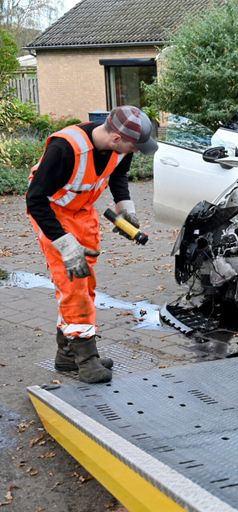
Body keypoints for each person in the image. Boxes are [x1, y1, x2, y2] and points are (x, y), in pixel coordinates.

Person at [26, 106, 158, 383]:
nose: (134, 152)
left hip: (83, 214)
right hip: (52, 216)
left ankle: (67, 354)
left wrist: (126, 210)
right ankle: (86, 360)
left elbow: (118, 176)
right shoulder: (64, 149)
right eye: (134, 147)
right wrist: (64, 244)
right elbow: (35, 200)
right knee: (73, 285)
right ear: (116, 139)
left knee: (86, 284)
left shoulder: (120, 150)